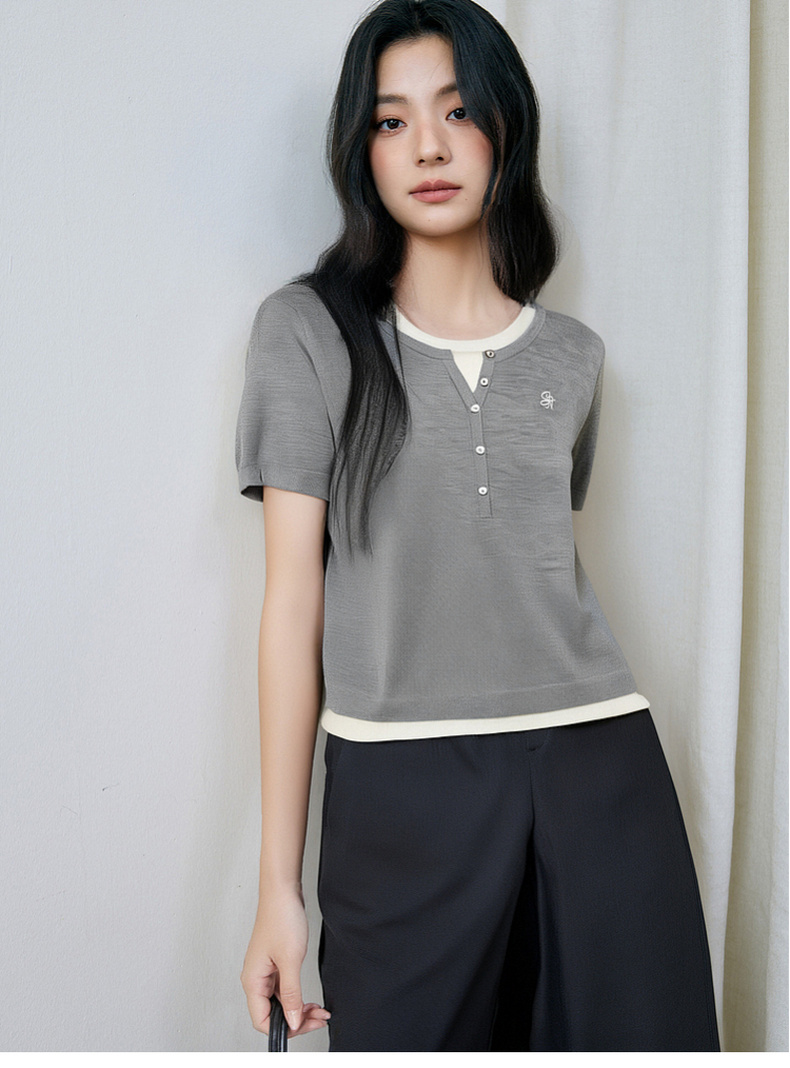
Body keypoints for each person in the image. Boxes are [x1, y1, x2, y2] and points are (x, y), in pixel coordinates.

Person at [235, 0, 720, 1052]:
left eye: (457, 111)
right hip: (398, 781)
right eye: (391, 120)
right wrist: (279, 887)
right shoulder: (306, 334)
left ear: (506, 127)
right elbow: (291, 608)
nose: (429, 146)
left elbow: (533, 567)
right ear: (360, 150)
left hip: (600, 767)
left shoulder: (575, 357)